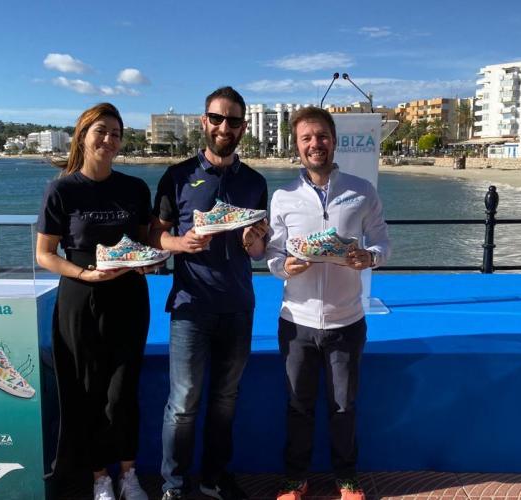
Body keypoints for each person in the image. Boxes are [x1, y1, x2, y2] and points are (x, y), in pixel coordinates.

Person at [150, 86, 268, 500]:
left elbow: (257, 249)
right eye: (217, 118)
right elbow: (155, 235)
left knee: (225, 399)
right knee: (183, 403)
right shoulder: (177, 175)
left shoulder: (255, 182)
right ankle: (174, 486)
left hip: (238, 305)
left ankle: (214, 478)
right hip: (191, 306)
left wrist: (254, 240)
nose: (224, 127)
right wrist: (180, 243)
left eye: (233, 121)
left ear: (243, 127)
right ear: (204, 122)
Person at [266, 107, 390, 500]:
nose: (315, 144)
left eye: (321, 136)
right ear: (296, 145)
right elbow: (272, 253)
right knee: (297, 406)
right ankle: (295, 478)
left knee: (343, 407)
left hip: (346, 320)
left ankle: (346, 477)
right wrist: (284, 266)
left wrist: (369, 257)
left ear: (334, 141)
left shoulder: (362, 191)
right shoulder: (283, 196)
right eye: (306, 138)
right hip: (296, 321)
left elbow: (383, 242)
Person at [36, 103, 155, 500]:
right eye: (101, 131)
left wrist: (149, 261)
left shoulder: (135, 189)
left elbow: (145, 244)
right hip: (81, 297)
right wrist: (85, 274)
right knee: (87, 392)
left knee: (123, 392)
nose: (109, 139)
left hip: (129, 298)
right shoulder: (62, 190)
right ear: (83, 135)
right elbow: (45, 254)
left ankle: (129, 475)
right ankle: (100, 477)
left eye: (116, 133)